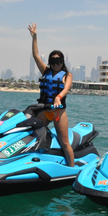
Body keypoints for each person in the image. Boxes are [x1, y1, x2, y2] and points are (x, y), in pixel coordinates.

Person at [28, 23, 75, 167]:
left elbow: (66, 88)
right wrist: (34, 37)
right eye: (53, 61)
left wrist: (58, 97)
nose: (56, 64)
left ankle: (71, 169)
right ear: (50, 62)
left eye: (58, 61)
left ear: (62, 62)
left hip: (58, 112)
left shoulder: (67, 75)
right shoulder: (45, 72)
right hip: (45, 111)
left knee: (65, 142)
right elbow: (35, 55)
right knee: (30, 132)